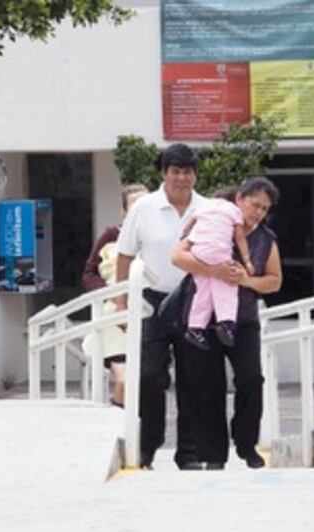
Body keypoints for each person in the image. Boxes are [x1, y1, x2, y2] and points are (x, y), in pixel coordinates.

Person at [171, 177, 282, 470]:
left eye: (264, 208)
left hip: (242, 321)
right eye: (255, 204)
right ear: (239, 199)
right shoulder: (211, 220)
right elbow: (178, 257)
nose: (258, 212)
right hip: (202, 320)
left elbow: (274, 281)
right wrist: (214, 270)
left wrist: (245, 279)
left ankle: (246, 445)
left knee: (251, 379)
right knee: (207, 387)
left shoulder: (265, 239)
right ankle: (213, 455)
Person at [114, 144, 209, 470]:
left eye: (188, 171)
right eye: (175, 171)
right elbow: (125, 255)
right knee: (150, 376)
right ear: (163, 173)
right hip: (151, 300)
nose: (182, 178)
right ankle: (148, 447)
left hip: (196, 300)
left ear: (195, 174)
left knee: (193, 378)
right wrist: (120, 300)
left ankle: (190, 452)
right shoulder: (144, 208)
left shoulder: (207, 208)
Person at [81, 183, 148, 406]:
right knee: (124, 382)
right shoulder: (111, 236)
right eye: (134, 204)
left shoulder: (156, 237)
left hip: (147, 316)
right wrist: (109, 293)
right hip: (114, 319)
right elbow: (89, 273)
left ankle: (129, 426)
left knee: (145, 384)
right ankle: (122, 423)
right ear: (124, 210)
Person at [180, 195, 257, 350]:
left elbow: (189, 223)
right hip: (218, 249)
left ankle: (195, 327)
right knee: (227, 282)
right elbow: (240, 238)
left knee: (204, 290)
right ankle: (226, 322)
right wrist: (247, 261)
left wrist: (184, 235)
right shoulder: (234, 210)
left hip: (198, 250)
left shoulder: (204, 205)